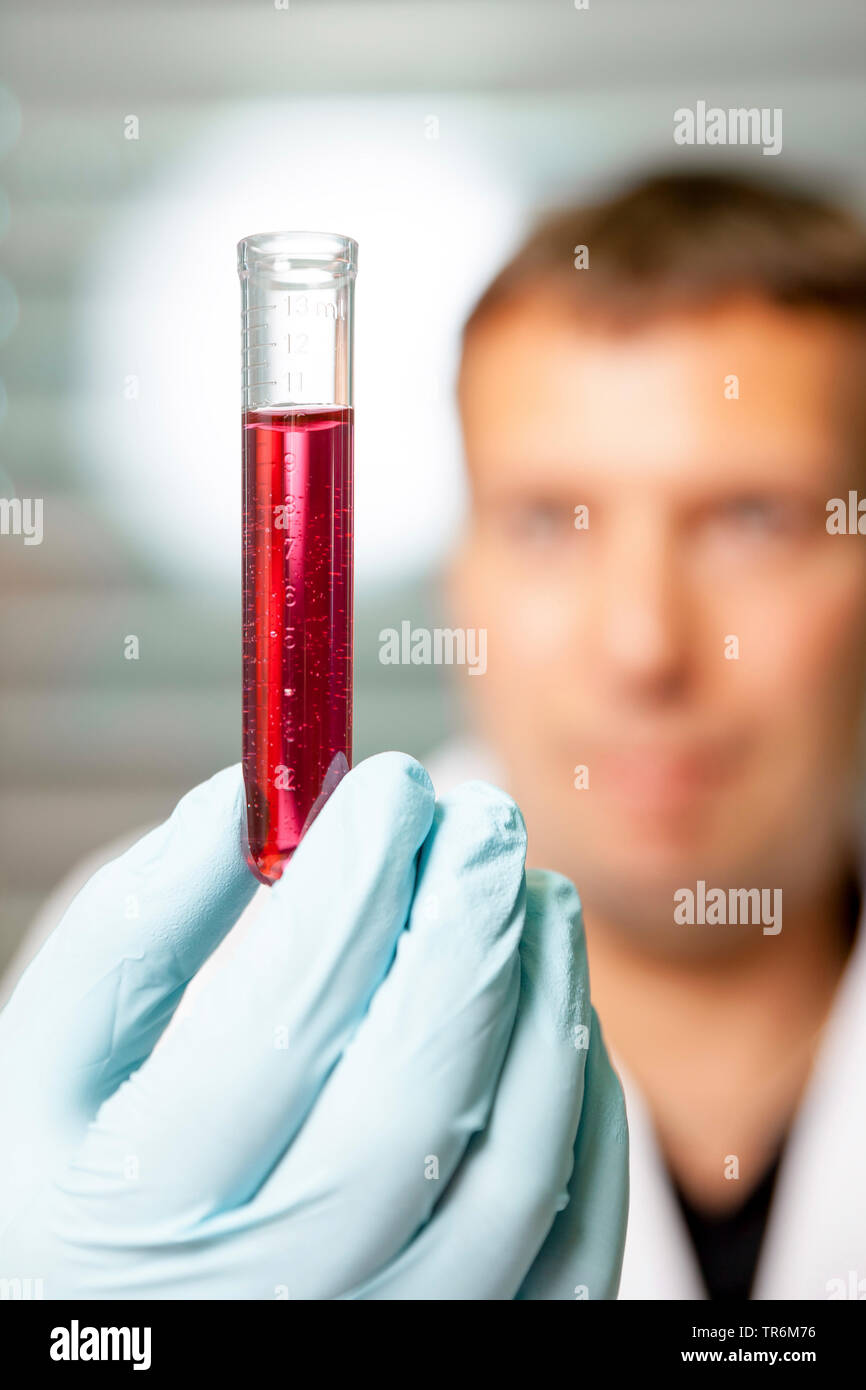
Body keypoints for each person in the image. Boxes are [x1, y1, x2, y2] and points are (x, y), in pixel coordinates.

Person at [4, 168, 866, 1301]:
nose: (642, 644)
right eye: (549, 520)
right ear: (457, 565)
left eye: (748, 519)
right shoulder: (166, 1011)